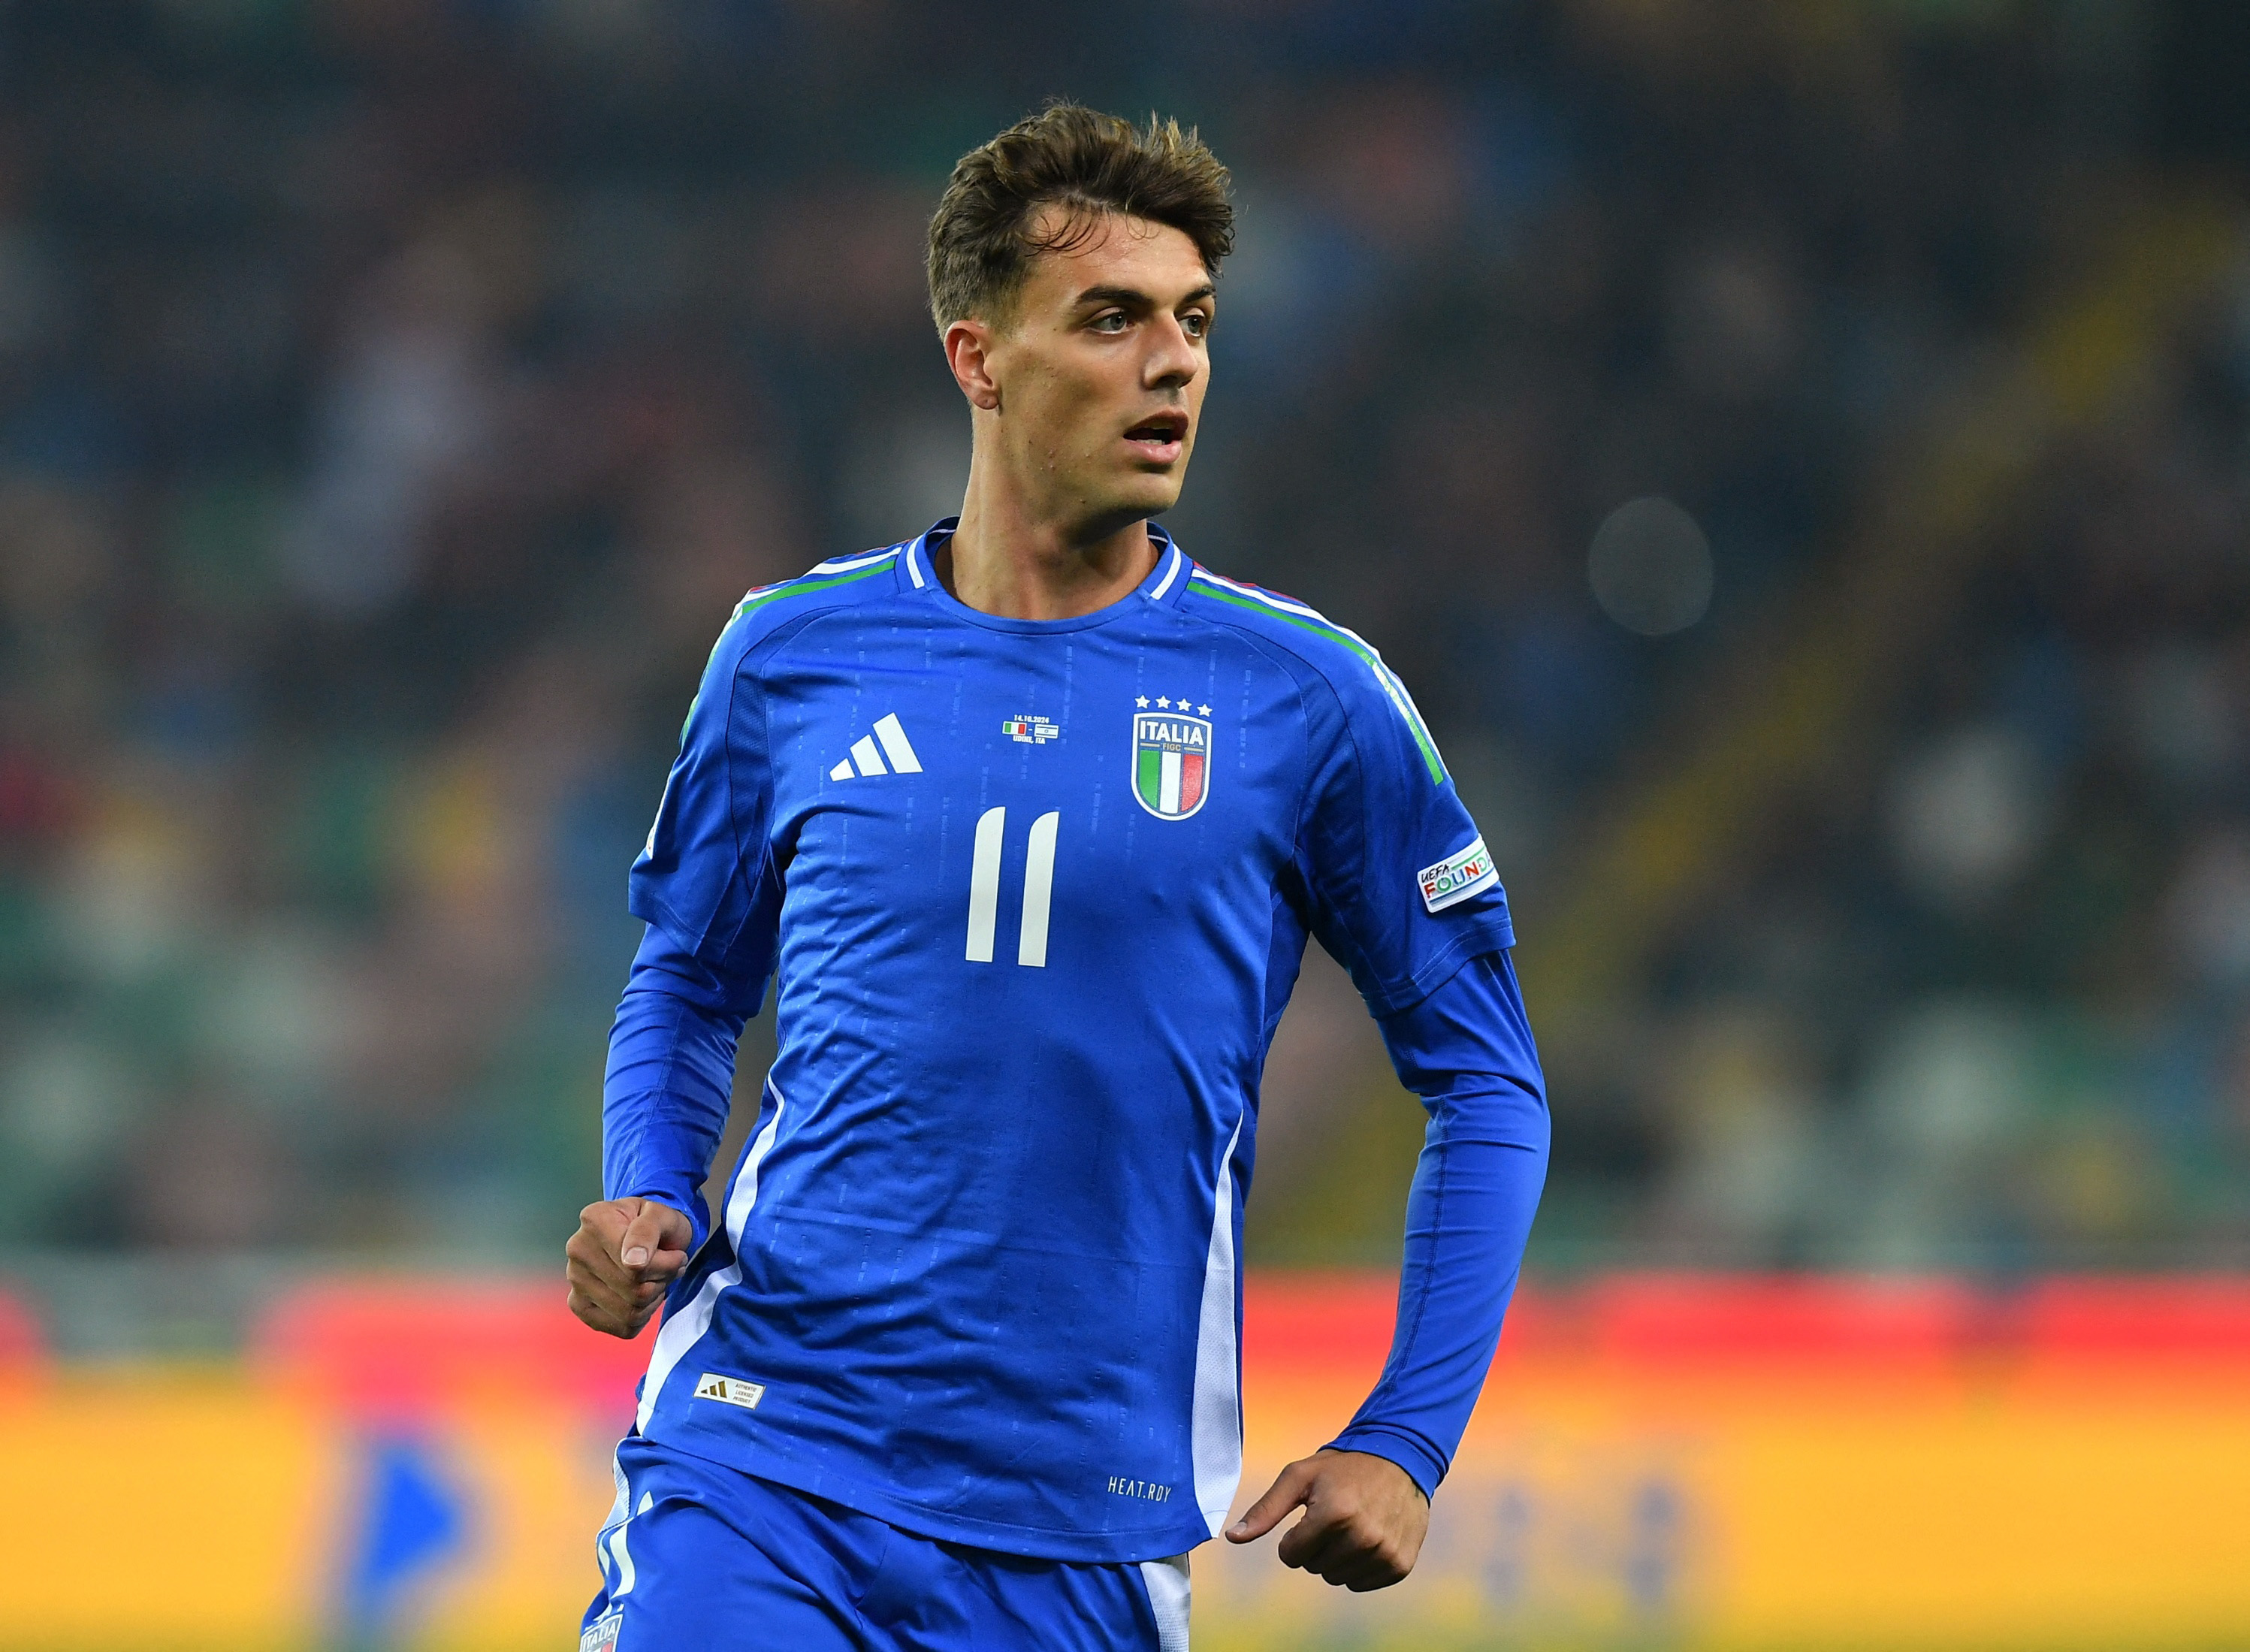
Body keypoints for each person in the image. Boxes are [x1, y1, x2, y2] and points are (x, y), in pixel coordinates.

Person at [564, 101, 1549, 1651]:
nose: (1172, 363)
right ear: (979, 359)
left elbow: (1487, 1076)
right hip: (765, 1457)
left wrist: (1405, 1435)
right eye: (1111, 319)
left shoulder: (1307, 699)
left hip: (1076, 1534)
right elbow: (690, 973)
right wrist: (645, 1177)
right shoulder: (790, 654)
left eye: (1194, 322)